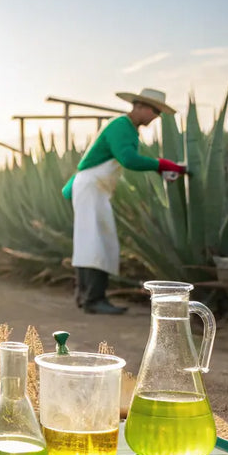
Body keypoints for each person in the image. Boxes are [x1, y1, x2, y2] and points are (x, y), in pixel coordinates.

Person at [61, 88, 188, 315]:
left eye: (158, 112)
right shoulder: (121, 126)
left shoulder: (127, 129)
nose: (155, 116)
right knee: (95, 241)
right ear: (138, 106)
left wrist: (160, 169)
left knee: (90, 240)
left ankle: (85, 297)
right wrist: (164, 165)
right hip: (92, 187)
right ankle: (93, 299)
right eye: (154, 110)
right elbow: (128, 159)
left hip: (94, 188)